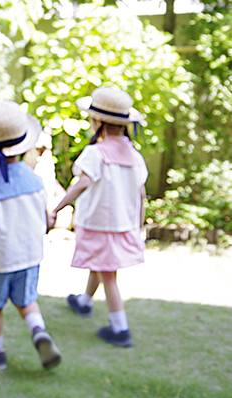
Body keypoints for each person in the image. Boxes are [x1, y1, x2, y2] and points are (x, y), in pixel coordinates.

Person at [0, 101, 61, 371]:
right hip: (29, 256)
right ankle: (39, 332)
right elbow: (43, 218)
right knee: (27, 301)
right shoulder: (33, 179)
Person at [48, 86, 148, 347]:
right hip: (123, 224)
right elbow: (141, 195)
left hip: (100, 224)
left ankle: (120, 329)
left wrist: (57, 208)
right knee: (102, 264)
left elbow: (80, 185)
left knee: (108, 273)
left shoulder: (96, 153)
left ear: (98, 122)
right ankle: (84, 302)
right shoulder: (135, 156)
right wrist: (137, 226)